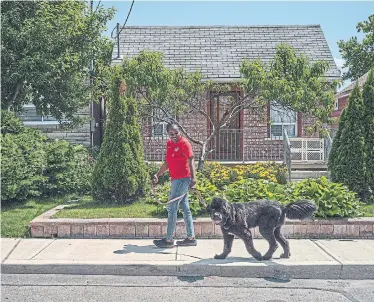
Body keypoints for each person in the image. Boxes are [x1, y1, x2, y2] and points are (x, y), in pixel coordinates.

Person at [153, 123, 197, 248]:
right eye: (171, 134)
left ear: (180, 132)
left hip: (183, 179)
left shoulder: (184, 143)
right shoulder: (169, 144)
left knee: (171, 208)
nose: (174, 136)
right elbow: (167, 163)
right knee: (184, 208)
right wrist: (158, 174)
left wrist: (193, 178)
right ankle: (191, 238)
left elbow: (191, 160)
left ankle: (168, 240)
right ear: (168, 134)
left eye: (176, 133)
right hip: (175, 179)